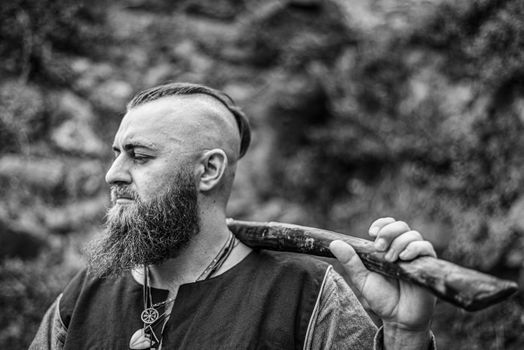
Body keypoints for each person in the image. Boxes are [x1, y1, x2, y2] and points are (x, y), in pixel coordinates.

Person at [30, 82, 437, 349]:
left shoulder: (304, 292)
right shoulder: (87, 289)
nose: (113, 174)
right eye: (116, 154)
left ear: (209, 170)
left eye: (139, 156)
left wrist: (405, 336)